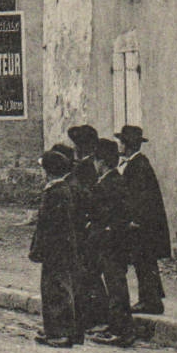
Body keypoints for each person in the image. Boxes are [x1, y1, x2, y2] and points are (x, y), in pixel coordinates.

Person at [29, 148, 83, 347]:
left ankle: (63, 333)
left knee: (57, 291)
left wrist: (39, 249)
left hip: (57, 250)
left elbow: (51, 226)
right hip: (58, 249)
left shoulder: (57, 193)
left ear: (49, 172)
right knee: (54, 290)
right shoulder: (58, 190)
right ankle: (55, 331)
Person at [86, 139, 136, 347]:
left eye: (96, 161)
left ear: (103, 162)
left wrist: (106, 228)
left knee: (116, 286)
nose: (95, 166)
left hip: (113, 243)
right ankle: (114, 324)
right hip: (109, 241)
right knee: (111, 283)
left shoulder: (112, 183)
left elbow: (121, 214)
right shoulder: (111, 181)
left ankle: (122, 330)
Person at [117, 125, 169, 315]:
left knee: (144, 261)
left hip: (143, 225)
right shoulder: (135, 163)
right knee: (145, 262)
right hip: (145, 223)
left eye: (121, 142)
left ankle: (150, 301)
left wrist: (135, 220)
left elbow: (141, 197)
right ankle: (151, 298)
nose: (119, 146)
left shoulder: (138, 165)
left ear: (127, 145)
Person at [67, 124, 109, 332]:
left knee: (87, 272)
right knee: (88, 272)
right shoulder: (88, 165)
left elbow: (85, 197)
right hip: (87, 224)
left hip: (85, 226)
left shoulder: (83, 168)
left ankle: (94, 316)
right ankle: (93, 315)